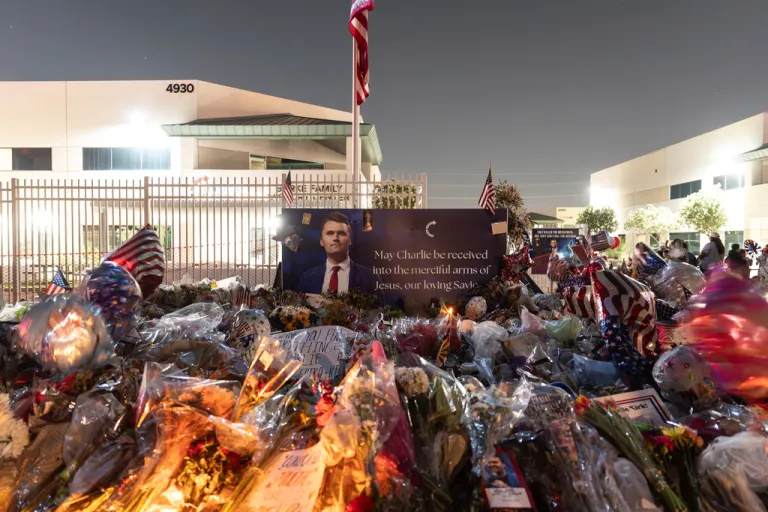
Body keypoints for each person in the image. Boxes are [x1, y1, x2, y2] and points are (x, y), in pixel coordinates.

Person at [298, 211, 376, 294]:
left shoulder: (370, 277)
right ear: (321, 241)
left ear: (350, 240)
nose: (335, 238)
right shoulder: (307, 278)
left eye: (341, 233)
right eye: (330, 233)